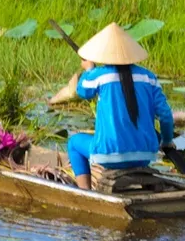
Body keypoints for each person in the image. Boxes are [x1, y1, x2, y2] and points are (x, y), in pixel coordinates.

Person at [47, 23, 175, 191]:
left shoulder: (100, 76)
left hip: (108, 155)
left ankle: (85, 192)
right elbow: (165, 114)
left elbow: (82, 91)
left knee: (74, 143)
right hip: (145, 155)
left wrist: (89, 69)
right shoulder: (148, 77)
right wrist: (167, 141)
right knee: (150, 134)